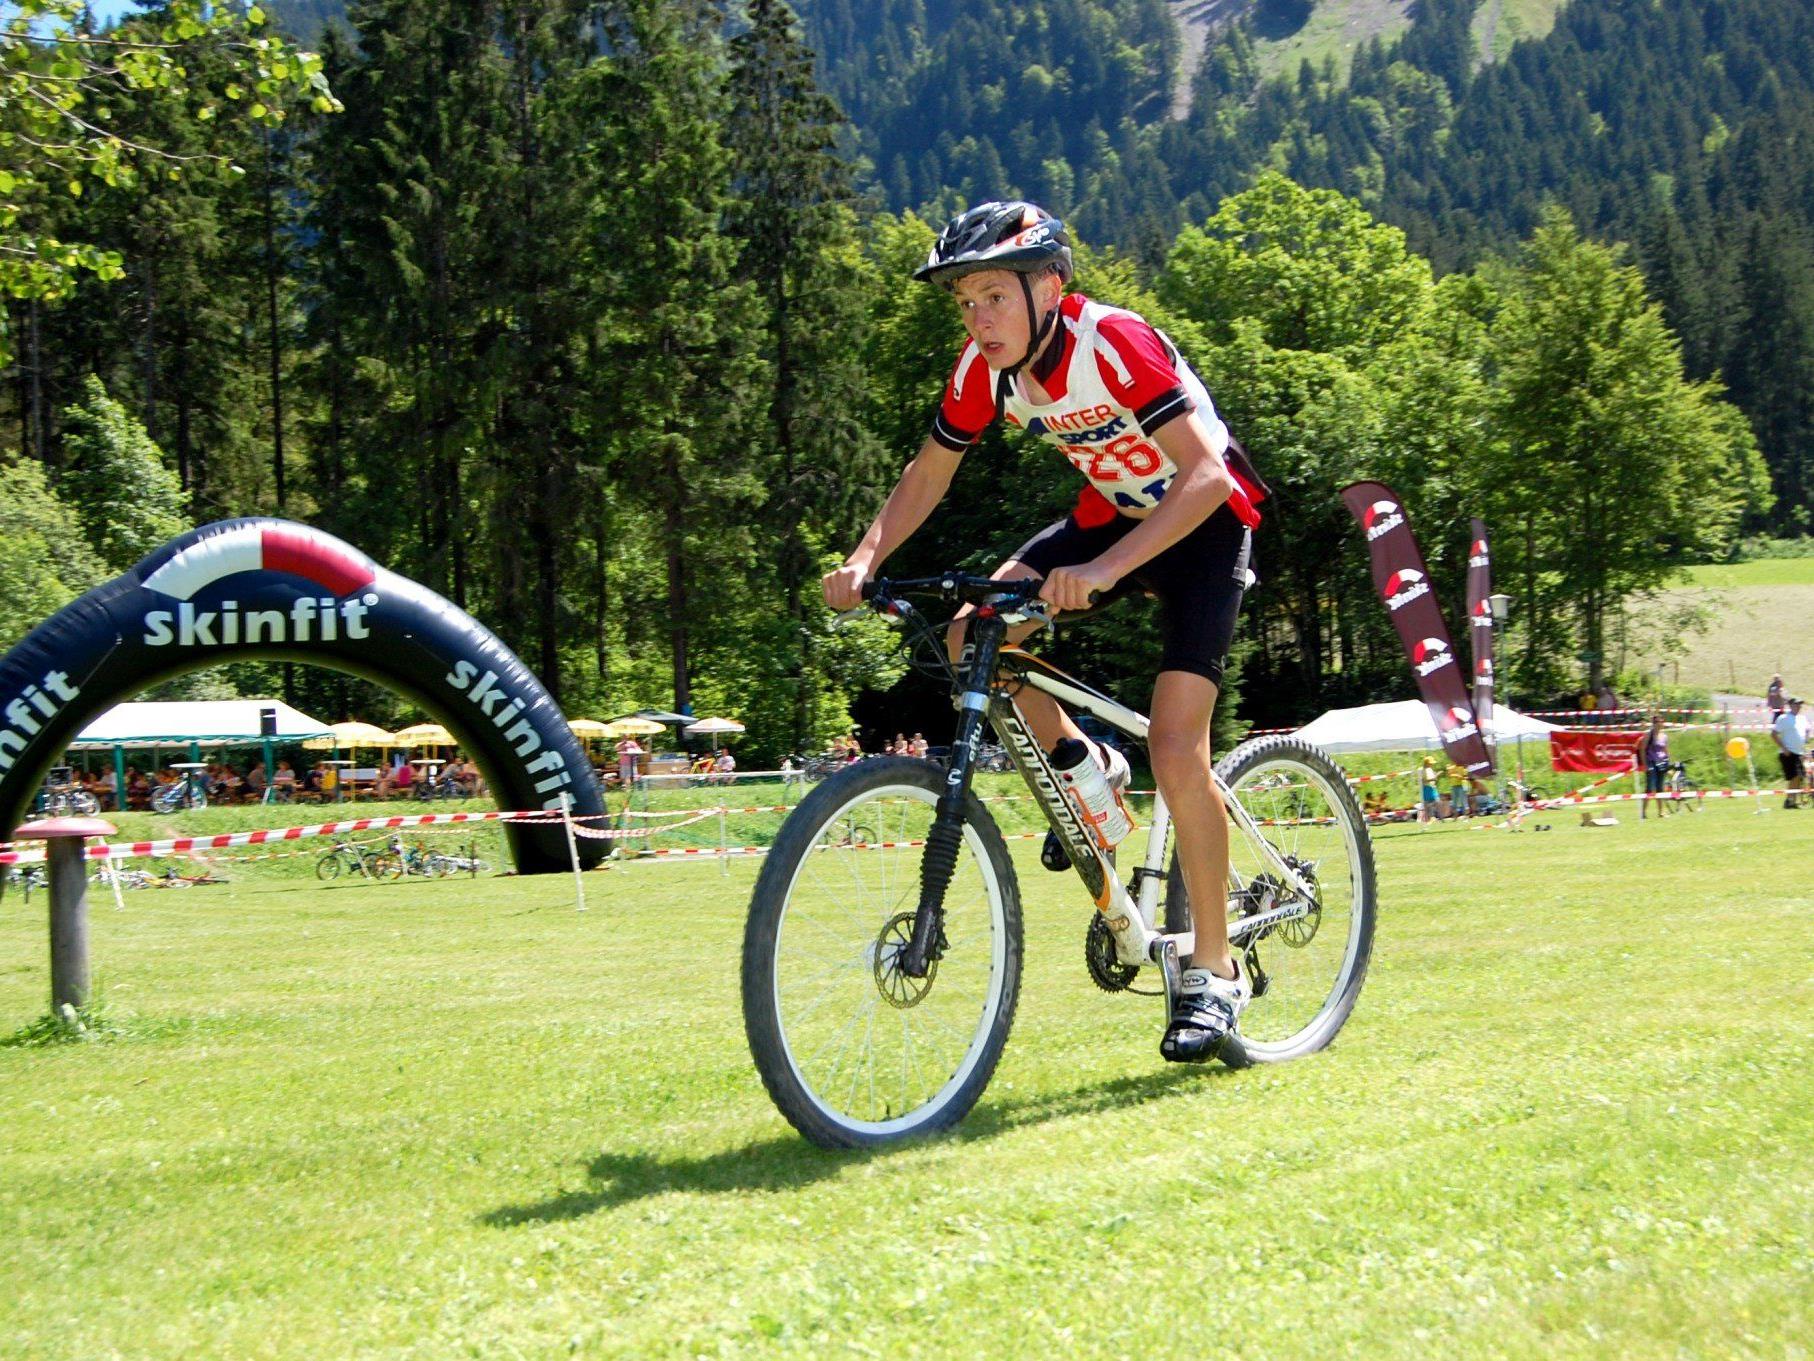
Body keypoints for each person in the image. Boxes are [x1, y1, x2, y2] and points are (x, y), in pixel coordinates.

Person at [822, 200, 1269, 1064]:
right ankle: (1090, 765)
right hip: (1112, 521)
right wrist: (864, 554)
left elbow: (1207, 474)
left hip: (1205, 524)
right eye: (965, 302)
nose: (978, 317)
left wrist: (1101, 573)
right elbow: (929, 471)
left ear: (1050, 285)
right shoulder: (986, 371)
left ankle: (1213, 972)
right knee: (968, 636)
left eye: (994, 295)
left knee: (1179, 748)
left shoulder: (1115, 342)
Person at [1773, 696, 1806, 809]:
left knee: (1799, 777)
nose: (1798, 706)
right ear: (1790, 705)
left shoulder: (1802, 718)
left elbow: (1806, 732)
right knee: (1794, 776)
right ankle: (1789, 801)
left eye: (1799, 704)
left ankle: (1792, 801)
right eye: (1796, 704)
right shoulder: (1783, 718)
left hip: (1799, 753)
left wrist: (1804, 751)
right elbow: (1774, 734)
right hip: (1788, 753)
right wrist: (1784, 748)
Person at [1636, 714, 1671, 820]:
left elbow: (1665, 750)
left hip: (1662, 763)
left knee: (1660, 788)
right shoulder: (1648, 735)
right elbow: (1642, 749)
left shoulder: (1664, 736)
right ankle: (1643, 812)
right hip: (1651, 763)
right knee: (1650, 788)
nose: (1659, 724)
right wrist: (1645, 764)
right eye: (1657, 722)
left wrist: (1668, 763)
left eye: (1661, 721)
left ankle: (1661, 812)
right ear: (1654, 723)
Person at [1417, 757, 1439, 826]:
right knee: (1427, 804)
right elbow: (1423, 781)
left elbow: (1433, 779)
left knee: (1436, 802)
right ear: (1427, 763)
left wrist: (1435, 779)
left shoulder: (1430, 769)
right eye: (1430, 763)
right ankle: (1428, 819)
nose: (1432, 764)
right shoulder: (1422, 770)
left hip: (1432, 787)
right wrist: (1434, 778)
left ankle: (1432, 817)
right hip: (1426, 788)